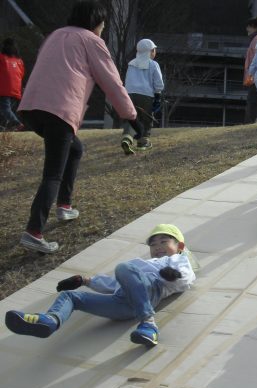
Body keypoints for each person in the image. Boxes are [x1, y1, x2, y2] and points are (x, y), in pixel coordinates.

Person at [17, 0, 144, 254]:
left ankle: (64, 206)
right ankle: (34, 231)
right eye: (103, 23)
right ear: (96, 22)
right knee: (53, 173)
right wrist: (132, 117)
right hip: (59, 111)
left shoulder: (56, 35)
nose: (104, 27)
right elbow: (112, 82)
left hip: (32, 108)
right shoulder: (91, 40)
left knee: (74, 149)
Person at [5, 224, 196, 348]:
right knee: (70, 296)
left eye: (164, 241)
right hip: (121, 304)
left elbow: (187, 278)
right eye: (153, 244)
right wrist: (85, 281)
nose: (158, 247)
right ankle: (50, 321)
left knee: (123, 267)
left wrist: (173, 275)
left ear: (179, 246)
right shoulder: (141, 265)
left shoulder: (176, 260)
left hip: (150, 292)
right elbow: (115, 284)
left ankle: (148, 325)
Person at [120, 38, 164, 155]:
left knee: (132, 117)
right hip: (146, 95)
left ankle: (127, 138)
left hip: (129, 94)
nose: (155, 52)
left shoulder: (131, 64)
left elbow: (127, 80)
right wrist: (158, 96)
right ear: (150, 51)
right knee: (147, 118)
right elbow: (158, 83)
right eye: (154, 50)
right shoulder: (153, 64)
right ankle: (143, 142)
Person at [0, 38, 25, 131]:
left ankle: (16, 123)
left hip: (4, 90)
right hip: (16, 90)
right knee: (7, 110)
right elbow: (22, 74)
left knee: (5, 109)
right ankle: (7, 128)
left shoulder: (1, 58)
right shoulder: (19, 61)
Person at [243, 17, 257, 123]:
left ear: (254, 27)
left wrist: (251, 74)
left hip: (256, 75)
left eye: (248, 27)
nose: (247, 29)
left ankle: (250, 122)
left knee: (253, 100)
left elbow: (256, 58)